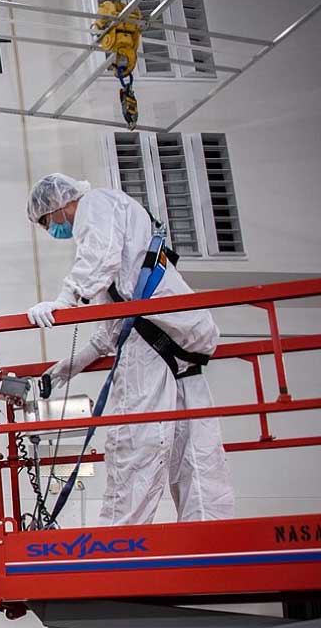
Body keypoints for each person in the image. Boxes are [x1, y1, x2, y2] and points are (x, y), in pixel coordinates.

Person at [25, 173, 234, 525]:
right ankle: (209, 537)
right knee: (196, 452)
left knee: (133, 443)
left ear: (59, 205)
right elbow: (109, 331)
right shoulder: (121, 237)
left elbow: (99, 256)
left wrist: (65, 298)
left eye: (48, 222)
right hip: (180, 337)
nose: (53, 231)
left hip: (152, 340)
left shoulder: (98, 205)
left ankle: (119, 548)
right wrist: (68, 367)